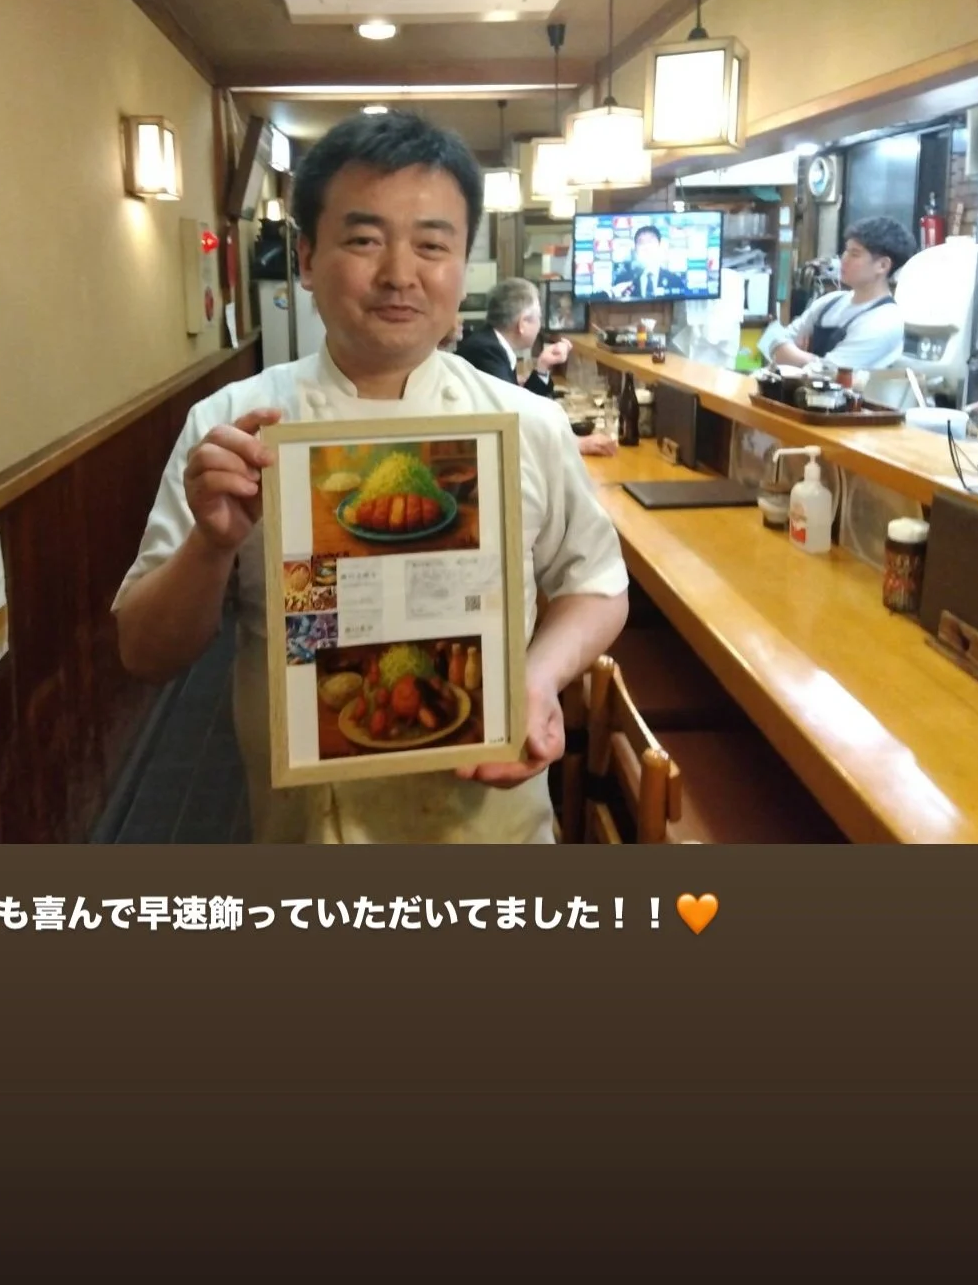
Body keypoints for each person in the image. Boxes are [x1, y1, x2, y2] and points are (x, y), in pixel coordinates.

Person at [113, 112, 629, 846]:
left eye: (431, 244)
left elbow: (597, 585)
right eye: (362, 240)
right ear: (304, 256)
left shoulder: (525, 424)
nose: (398, 274)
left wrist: (537, 678)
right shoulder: (231, 426)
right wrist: (210, 544)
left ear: (461, 265)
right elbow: (145, 653)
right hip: (305, 835)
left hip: (491, 831)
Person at [455, 278, 617, 457]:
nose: (540, 324)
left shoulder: (490, 343)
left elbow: (521, 405)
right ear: (523, 323)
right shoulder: (487, 351)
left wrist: (543, 366)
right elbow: (516, 420)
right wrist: (575, 444)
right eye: (538, 317)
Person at [761, 215, 916, 372]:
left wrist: (792, 355)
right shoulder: (830, 301)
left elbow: (830, 373)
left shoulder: (884, 321)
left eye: (854, 254)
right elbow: (771, 341)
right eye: (845, 251)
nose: (844, 259)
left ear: (882, 265)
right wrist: (807, 360)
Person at [612, 224, 683, 301]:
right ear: (635, 250)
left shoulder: (674, 280)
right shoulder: (622, 280)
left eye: (650, 241)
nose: (646, 247)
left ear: (660, 246)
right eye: (641, 243)